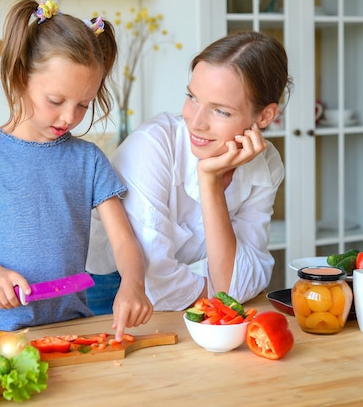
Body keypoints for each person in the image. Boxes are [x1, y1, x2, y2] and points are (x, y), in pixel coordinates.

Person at [0, 0, 152, 340]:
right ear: (21, 76)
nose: (70, 117)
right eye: (56, 101)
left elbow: (124, 241)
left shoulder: (89, 160)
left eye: (83, 104)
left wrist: (133, 284)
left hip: (71, 327)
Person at [86, 30, 292, 312]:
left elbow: (237, 284)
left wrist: (210, 181)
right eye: (192, 97)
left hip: (177, 296)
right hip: (102, 286)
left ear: (265, 116)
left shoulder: (265, 165)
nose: (195, 122)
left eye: (220, 111)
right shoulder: (153, 147)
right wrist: (222, 294)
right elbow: (155, 281)